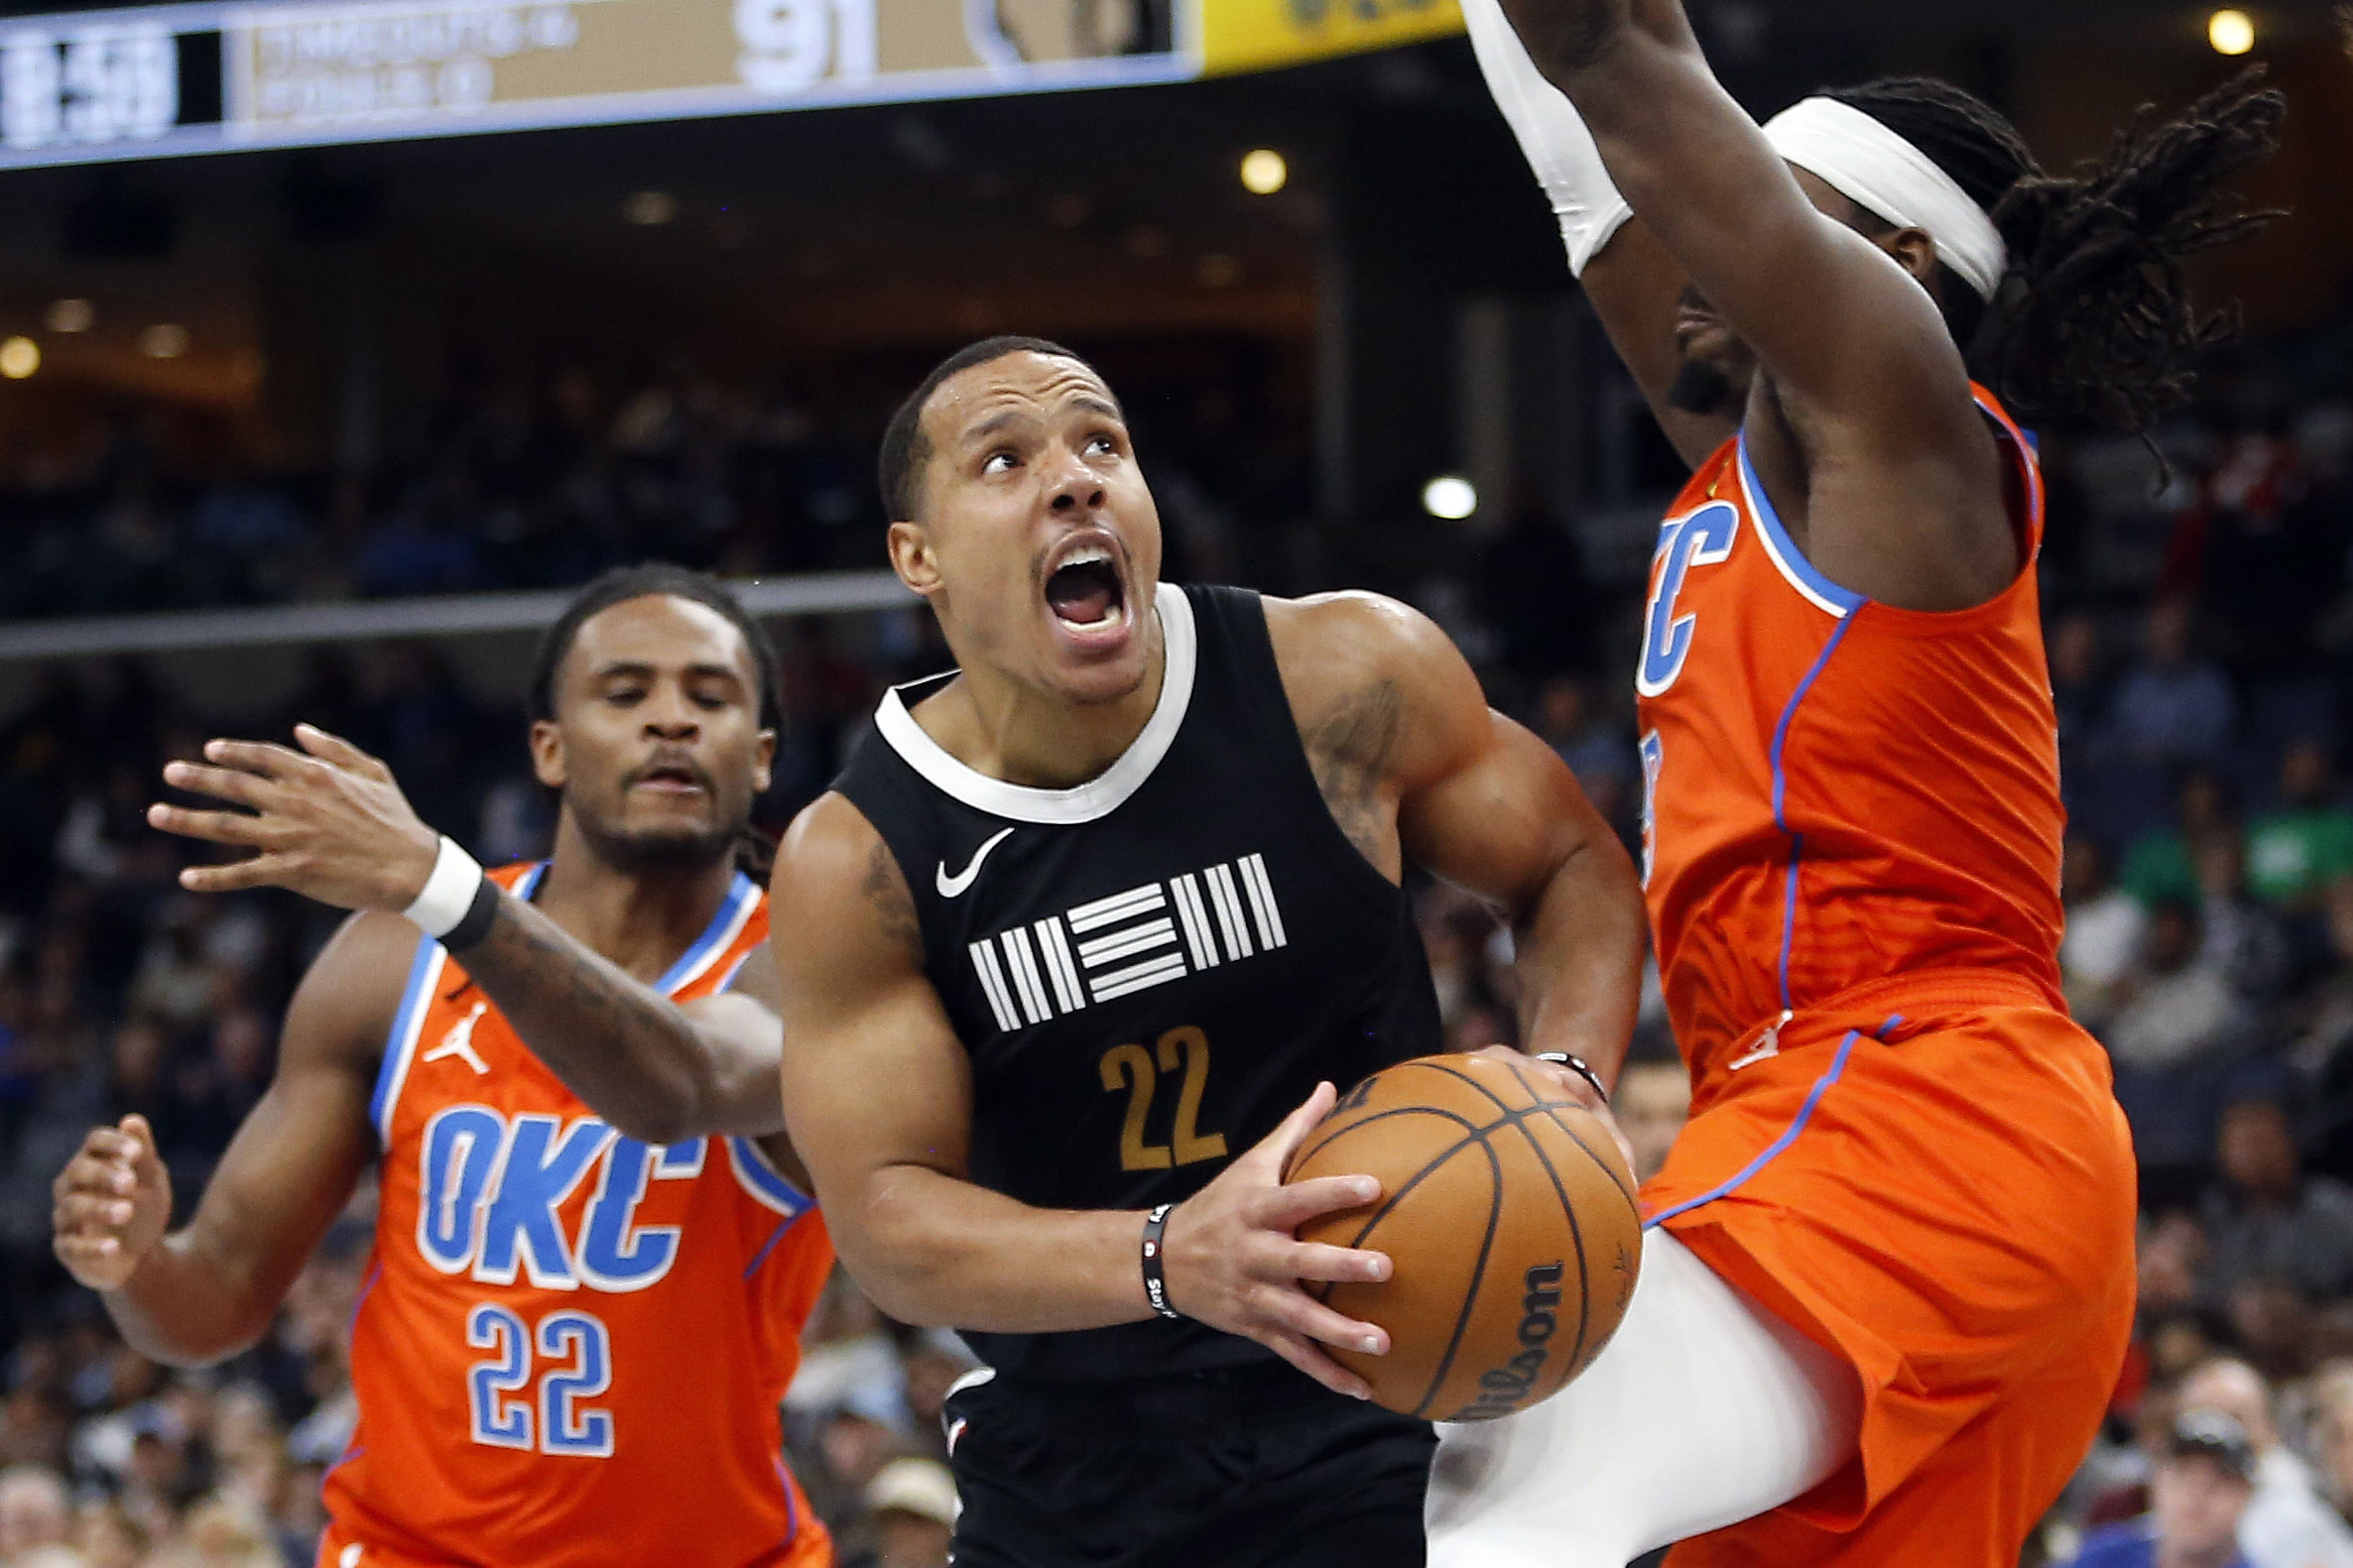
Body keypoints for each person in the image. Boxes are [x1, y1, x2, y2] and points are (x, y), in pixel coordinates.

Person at [1440, 0, 2282, 1562]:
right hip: (1845, 1128)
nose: (1694, 235)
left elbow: (1619, 62)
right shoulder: (1749, 454)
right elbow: (1581, 165)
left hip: (1920, 1108)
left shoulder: (1904, 415)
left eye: (1757, 202)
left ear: (1887, 266)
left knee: (1496, 1501)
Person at [768, 336, 1647, 1567]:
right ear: (917, 557)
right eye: (1004, 459)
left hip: (1396, 1394)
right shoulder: (857, 858)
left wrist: (1569, 1089)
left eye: (1100, 445)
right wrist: (1171, 1257)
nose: (1073, 480)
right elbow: (889, 1227)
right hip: (1079, 1447)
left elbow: (1570, 869)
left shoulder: (1341, 677)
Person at [49, 565, 835, 1568]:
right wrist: (133, 1265)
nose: (671, 721)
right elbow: (218, 1299)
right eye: (626, 693)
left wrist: (439, 885)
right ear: (548, 748)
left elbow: (673, 1087)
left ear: (762, 757)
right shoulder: (391, 964)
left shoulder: (808, 970)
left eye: (710, 697)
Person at [2173, 1358, 2353, 1568]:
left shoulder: (2297, 1515)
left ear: (2269, 1428)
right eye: (2201, 1415)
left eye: (2235, 1416)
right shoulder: (2146, 1527)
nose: (2216, 1431)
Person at [2067, 1410, 2259, 1568]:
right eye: (2182, 1474)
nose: (2196, 1495)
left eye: (2218, 1481)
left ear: (2247, 1494)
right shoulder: (2105, 1557)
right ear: (2156, 1482)